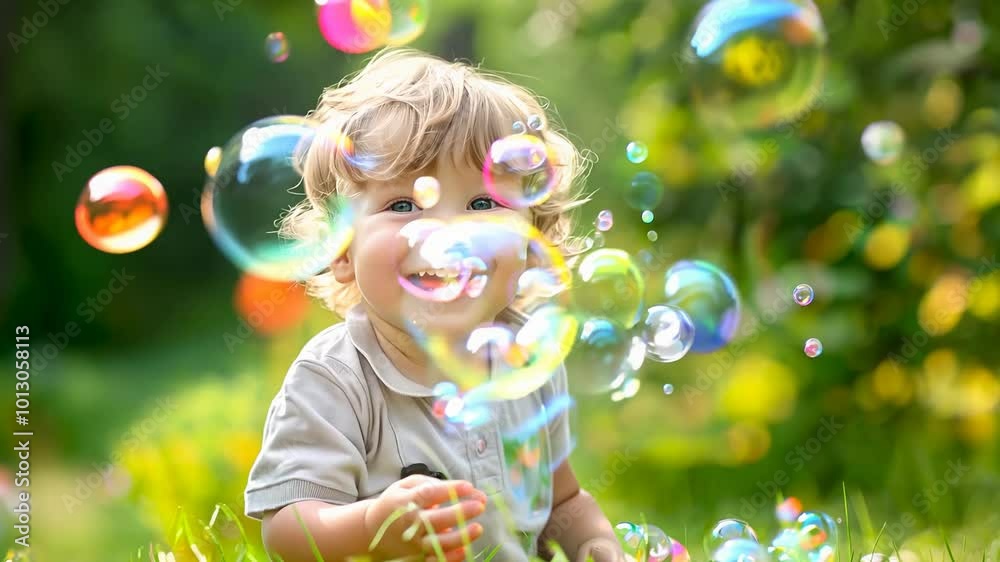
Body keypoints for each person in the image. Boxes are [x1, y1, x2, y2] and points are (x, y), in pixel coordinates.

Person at [244, 48, 624, 562]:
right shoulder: (335, 379)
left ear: (533, 240)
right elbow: (288, 531)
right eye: (402, 205)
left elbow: (565, 503)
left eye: (483, 203)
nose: (448, 233)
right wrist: (371, 525)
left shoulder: (527, 361)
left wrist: (599, 546)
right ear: (341, 249)